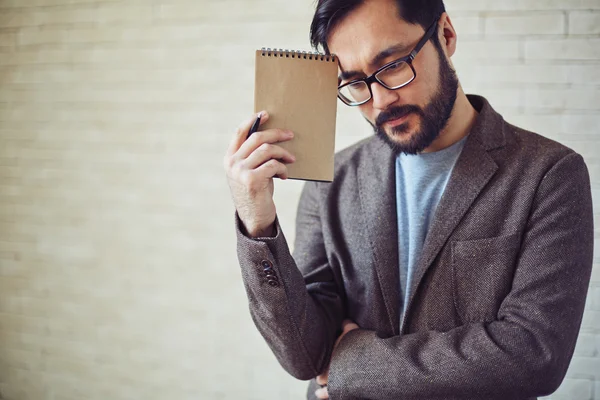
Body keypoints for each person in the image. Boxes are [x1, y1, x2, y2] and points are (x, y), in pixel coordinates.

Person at [223, 0, 595, 398]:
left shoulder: (549, 174)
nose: (379, 101)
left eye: (394, 65)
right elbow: (305, 355)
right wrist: (258, 223)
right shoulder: (332, 181)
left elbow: (534, 355)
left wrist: (353, 362)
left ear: (446, 36)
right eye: (354, 83)